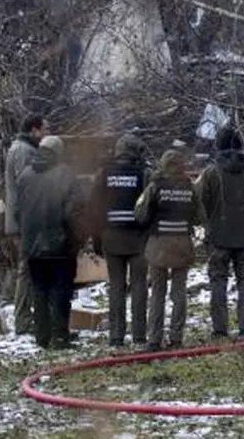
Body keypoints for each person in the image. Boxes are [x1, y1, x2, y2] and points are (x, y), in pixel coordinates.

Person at [197, 125, 244, 339]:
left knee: (218, 282)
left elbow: (201, 204)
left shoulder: (210, 173)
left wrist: (209, 222)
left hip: (218, 237)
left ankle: (220, 330)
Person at [14, 136, 85, 349]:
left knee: (39, 291)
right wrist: (76, 239)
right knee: (61, 292)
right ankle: (60, 336)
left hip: (32, 246)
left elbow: (17, 211)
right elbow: (76, 212)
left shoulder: (25, 175)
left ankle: (42, 336)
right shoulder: (66, 174)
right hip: (61, 245)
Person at [136, 148, 202, 351]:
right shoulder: (189, 187)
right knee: (179, 293)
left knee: (157, 293)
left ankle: (154, 339)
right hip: (182, 245)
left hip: (158, 246)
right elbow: (200, 216)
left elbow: (140, 213)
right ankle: (176, 338)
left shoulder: (155, 186)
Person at [94, 131, 154, 347]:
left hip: (111, 238)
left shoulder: (104, 174)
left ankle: (116, 336)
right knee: (139, 286)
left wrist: (96, 239)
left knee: (117, 287)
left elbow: (96, 208)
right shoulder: (144, 173)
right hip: (138, 240)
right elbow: (151, 205)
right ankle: (139, 335)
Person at [4, 113, 46, 335]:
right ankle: (22, 322)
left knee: (29, 269)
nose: (45, 134)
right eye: (43, 130)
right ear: (34, 130)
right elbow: (26, 187)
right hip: (25, 222)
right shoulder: (23, 150)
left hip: (23, 220)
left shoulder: (22, 148)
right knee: (27, 270)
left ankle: (27, 319)